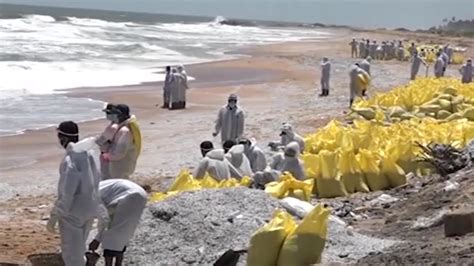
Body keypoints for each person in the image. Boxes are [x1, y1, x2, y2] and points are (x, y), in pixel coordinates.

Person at [47, 121, 107, 266]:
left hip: (72, 212)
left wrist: (56, 214)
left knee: (72, 255)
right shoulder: (90, 153)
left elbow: (67, 192)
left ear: (64, 138)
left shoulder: (70, 159)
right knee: (80, 249)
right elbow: (97, 179)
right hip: (90, 207)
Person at [88, 179, 147, 266]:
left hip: (129, 196)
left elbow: (104, 218)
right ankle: (118, 263)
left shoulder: (91, 196)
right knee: (124, 233)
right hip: (140, 194)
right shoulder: (96, 188)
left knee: (112, 236)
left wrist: (97, 239)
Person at [101, 104, 141, 179]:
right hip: (118, 163)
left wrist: (107, 156)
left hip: (121, 164)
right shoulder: (120, 128)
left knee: (119, 182)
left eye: (116, 114)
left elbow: (120, 152)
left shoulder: (124, 131)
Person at [96, 104, 119, 180]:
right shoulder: (117, 125)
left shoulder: (113, 127)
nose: (107, 115)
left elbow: (101, 140)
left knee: (106, 176)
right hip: (110, 154)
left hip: (108, 154)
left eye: (108, 113)